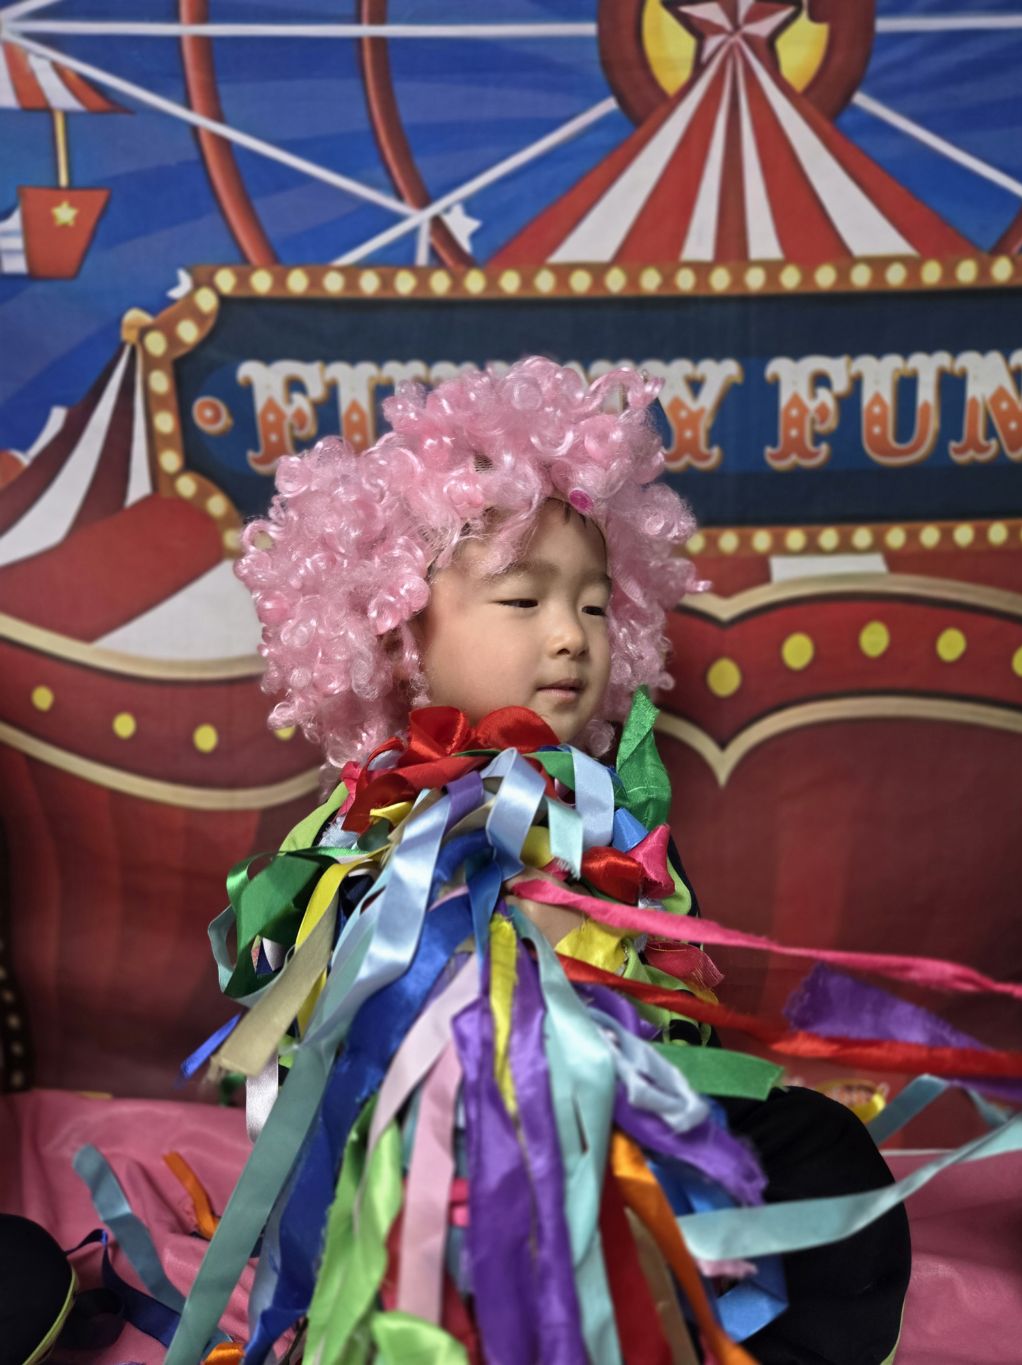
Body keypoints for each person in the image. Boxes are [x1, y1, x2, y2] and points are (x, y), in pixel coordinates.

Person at [166, 357, 909, 1365]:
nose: (570, 637)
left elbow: (671, 1017)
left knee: (823, 1156)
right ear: (396, 633)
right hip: (448, 1176)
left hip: (623, 1144)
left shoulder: (607, 817)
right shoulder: (366, 836)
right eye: (523, 601)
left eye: (595, 606)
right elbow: (333, 1065)